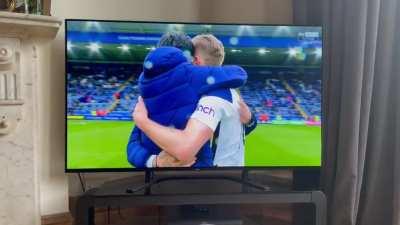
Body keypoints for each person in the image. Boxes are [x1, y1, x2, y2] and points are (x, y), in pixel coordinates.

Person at [126, 33, 248, 168]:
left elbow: (132, 145)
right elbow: (237, 73)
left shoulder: (146, 94)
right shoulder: (204, 88)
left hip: (159, 180)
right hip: (197, 176)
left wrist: (153, 161)